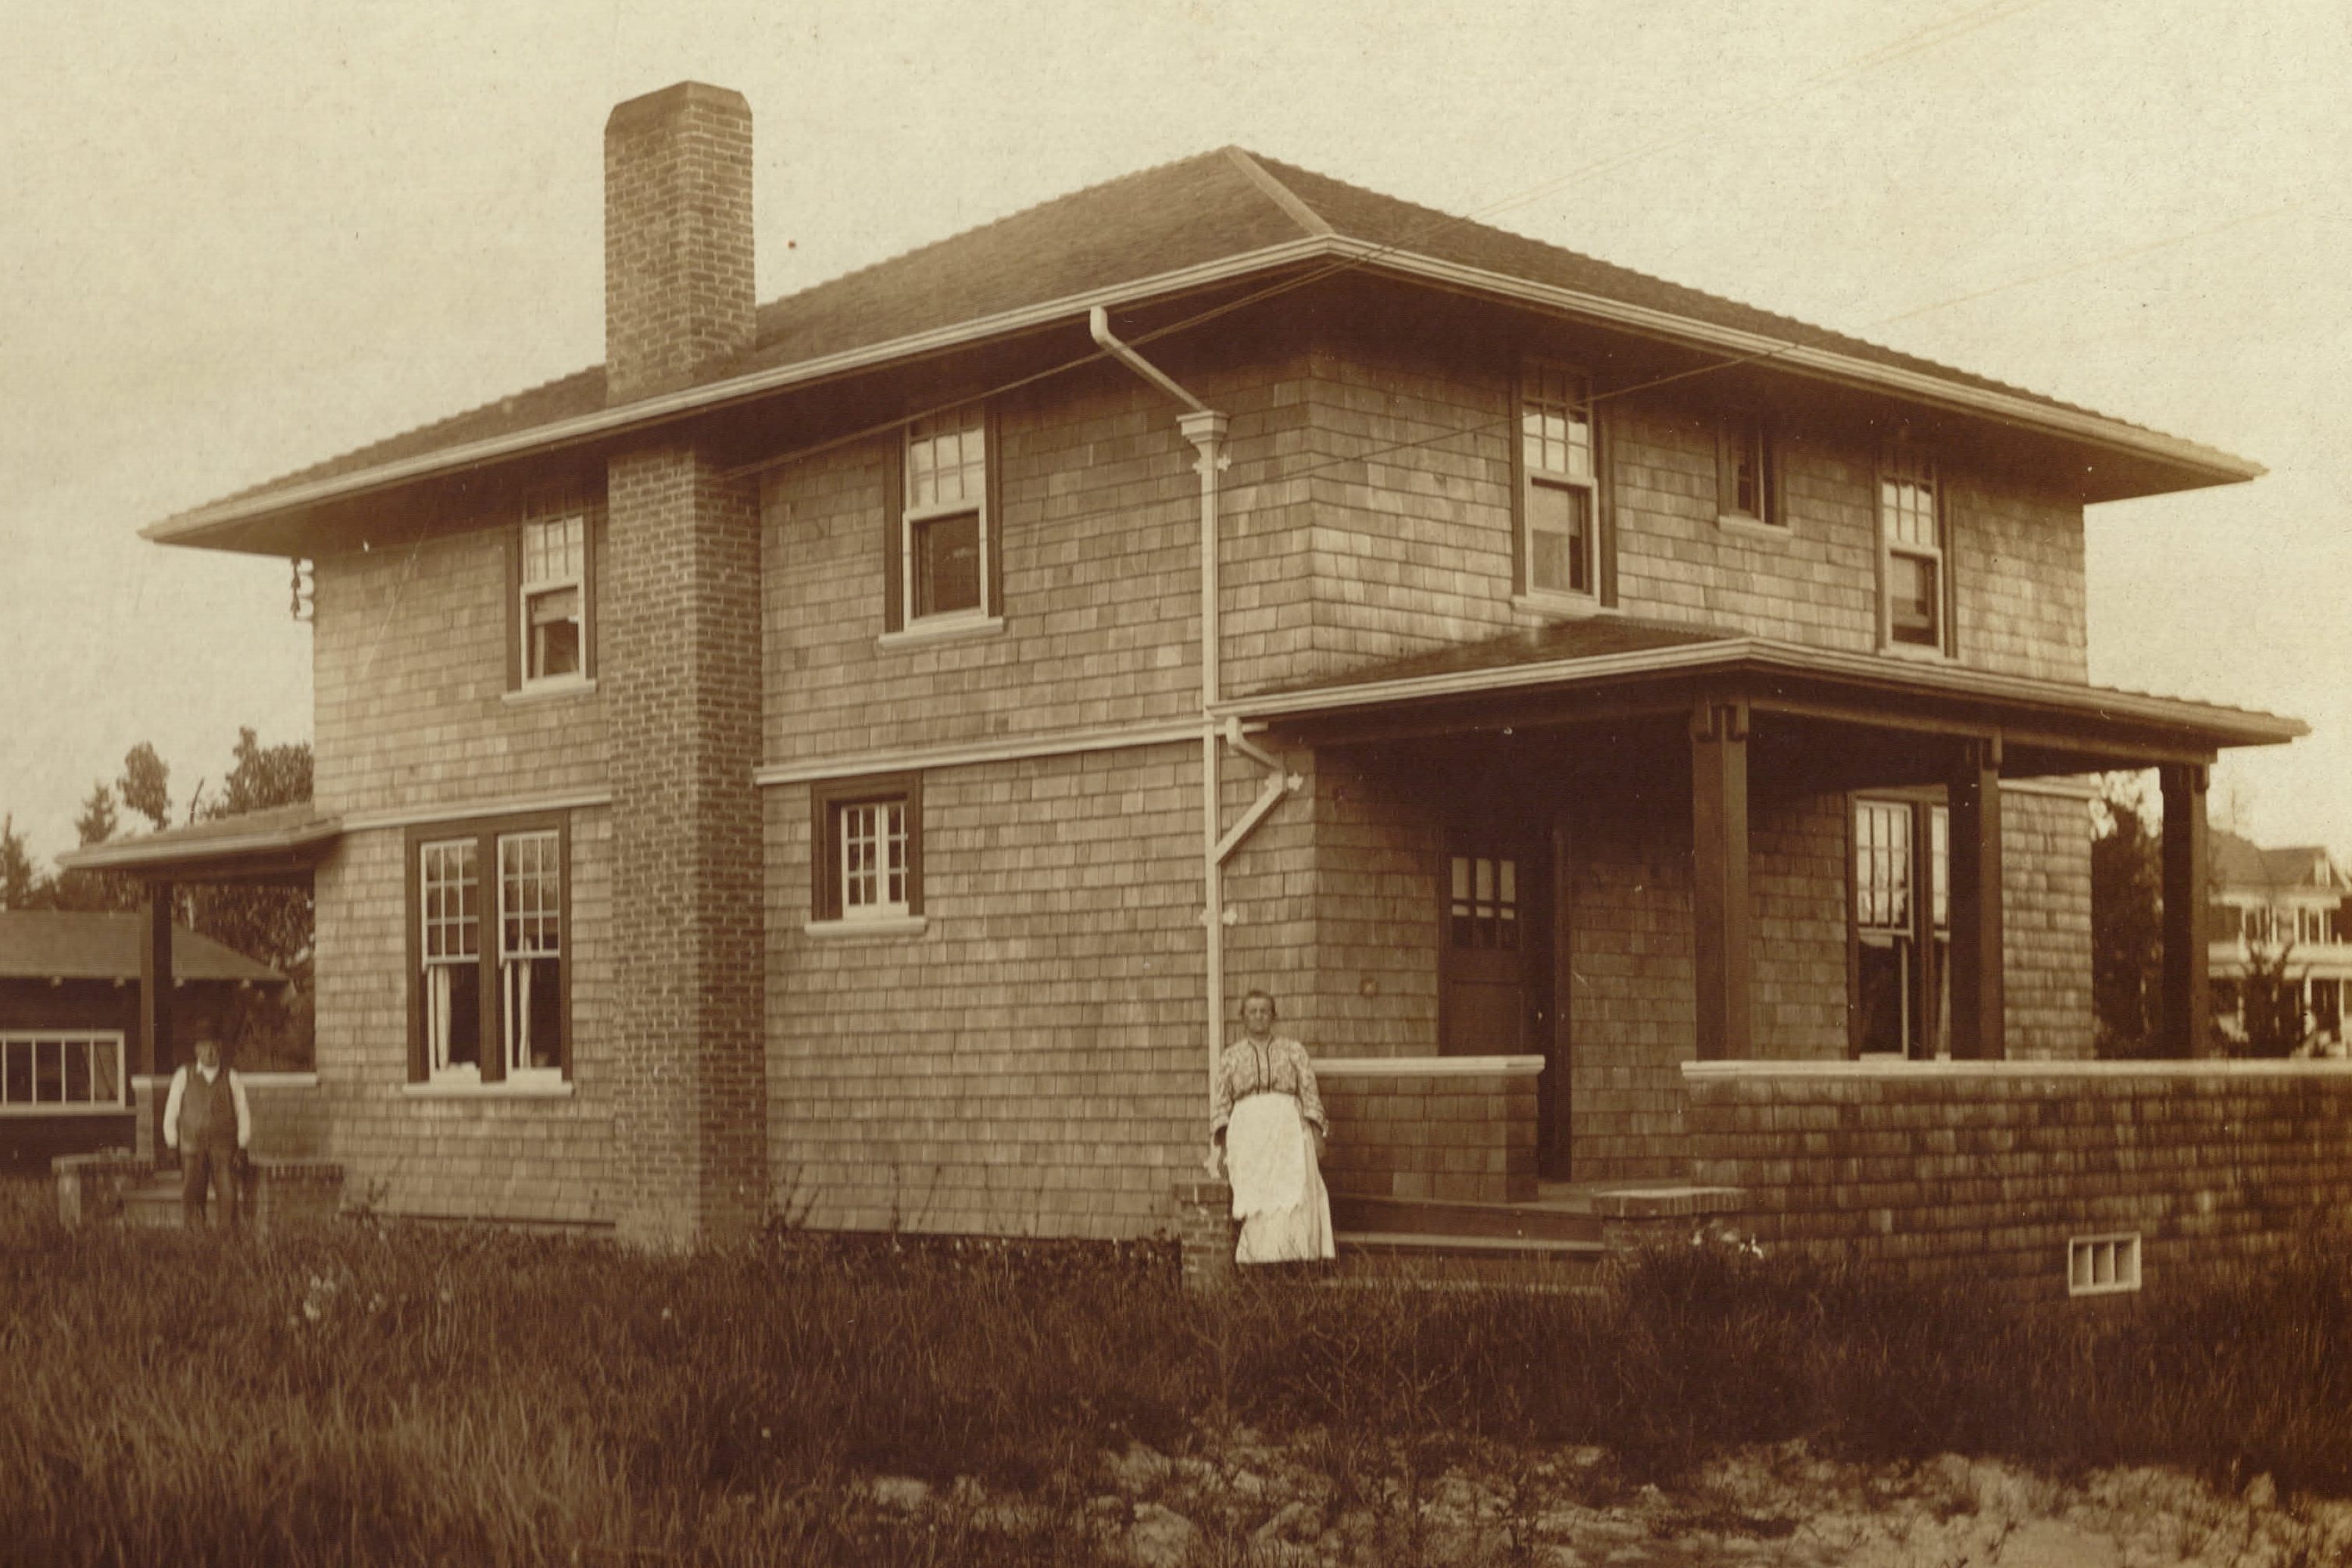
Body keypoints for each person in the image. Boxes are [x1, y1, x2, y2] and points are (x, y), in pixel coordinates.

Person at [1210, 989, 1335, 1264]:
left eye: (1264, 1011)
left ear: (1273, 1016)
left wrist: (1316, 1133)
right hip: (1248, 1131)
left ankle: (1295, 1257)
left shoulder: (1293, 1050)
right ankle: (1257, 1259)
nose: (1258, 1016)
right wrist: (1223, 1146)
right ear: (1243, 1017)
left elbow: (1309, 1092)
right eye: (1252, 1011)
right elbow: (1221, 1101)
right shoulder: (1231, 1056)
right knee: (1258, 1193)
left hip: (1286, 1127)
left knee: (1292, 1189)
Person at [163, 1037, 251, 1231]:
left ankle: (227, 1240)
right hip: (192, 1145)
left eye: (213, 1047)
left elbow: (242, 1111)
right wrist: (171, 1143)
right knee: (193, 1193)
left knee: (227, 1193)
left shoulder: (231, 1076)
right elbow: (172, 1110)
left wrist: (243, 1145)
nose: (209, 1052)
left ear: (219, 1049)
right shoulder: (184, 1075)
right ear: (196, 1050)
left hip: (224, 1146)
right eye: (204, 1048)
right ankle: (195, 1239)